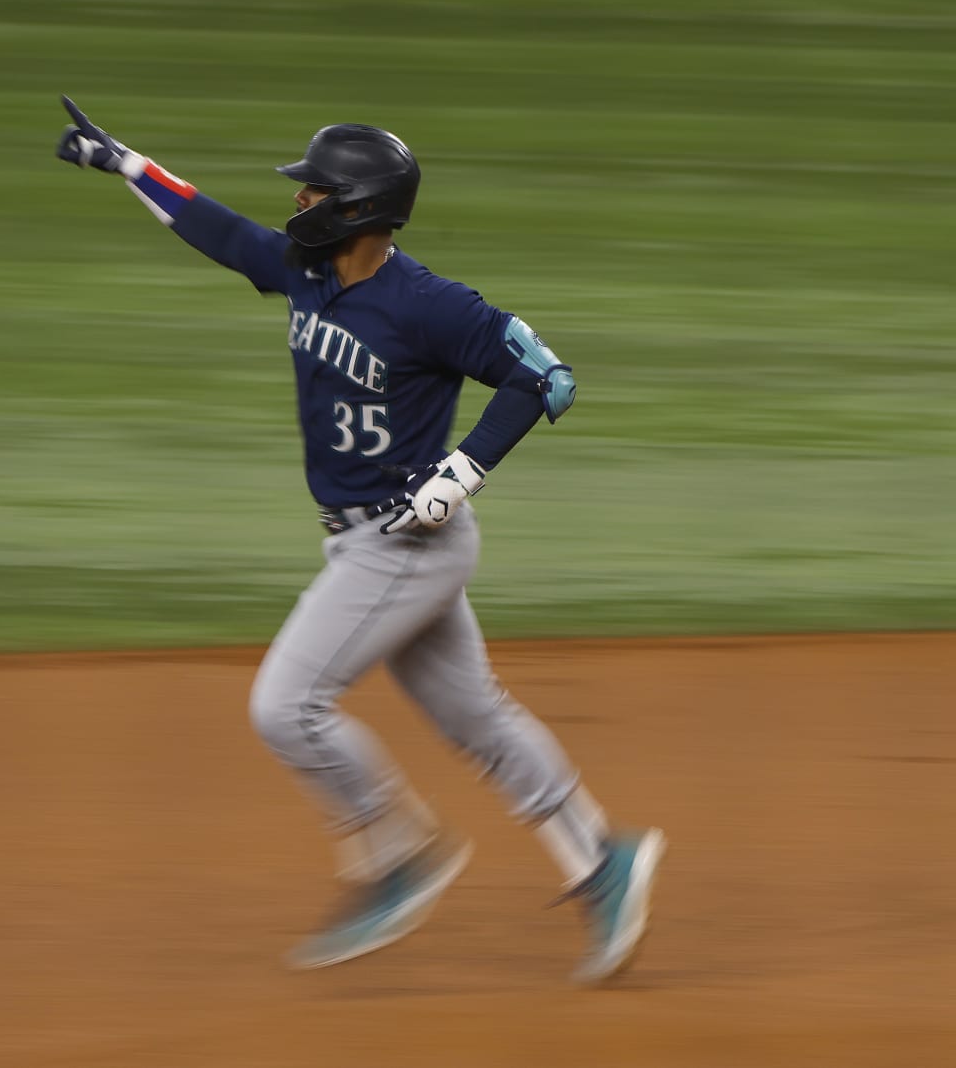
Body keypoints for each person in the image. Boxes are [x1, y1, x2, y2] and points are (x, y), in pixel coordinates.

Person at [55, 96, 664, 984]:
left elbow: (546, 379)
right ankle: (600, 861)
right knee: (477, 721)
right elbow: (217, 230)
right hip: (372, 547)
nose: (298, 204)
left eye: (312, 192)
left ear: (358, 208)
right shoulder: (306, 273)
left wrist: (462, 472)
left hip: (399, 547)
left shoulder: (428, 306)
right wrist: (126, 165)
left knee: (285, 707)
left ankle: (397, 852)